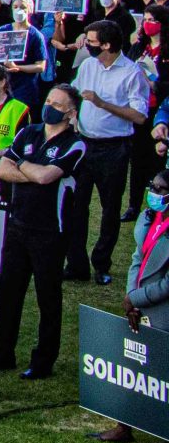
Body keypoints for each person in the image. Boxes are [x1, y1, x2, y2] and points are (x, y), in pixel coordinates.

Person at [0, 83, 85, 381]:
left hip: (50, 232)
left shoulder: (75, 144)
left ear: (71, 112)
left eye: (57, 104)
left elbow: (46, 177)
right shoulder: (29, 132)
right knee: (8, 292)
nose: (50, 107)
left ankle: (43, 360)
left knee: (48, 297)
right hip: (17, 225)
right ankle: (1, 352)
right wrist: (26, 167)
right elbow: (1, 170)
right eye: (48, 101)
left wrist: (19, 162)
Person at [90, 169, 169, 443]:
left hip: (161, 309)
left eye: (160, 190)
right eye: (153, 187)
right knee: (134, 364)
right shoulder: (151, 219)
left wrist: (134, 298)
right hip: (139, 303)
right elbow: (138, 257)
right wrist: (131, 297)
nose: (153, 194)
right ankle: (125, 425)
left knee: (163, 371)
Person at [70, 19, 147, 284]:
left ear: (106, 44)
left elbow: (138, 116)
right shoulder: (88, 65)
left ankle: (101, 264)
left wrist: (103, 104)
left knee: (109, 209)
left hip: (113, 148)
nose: (85, 44)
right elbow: (75, 94)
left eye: (90, 41)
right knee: (76, 206)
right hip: (84, 144)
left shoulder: (132, 73)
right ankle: (76, 263)